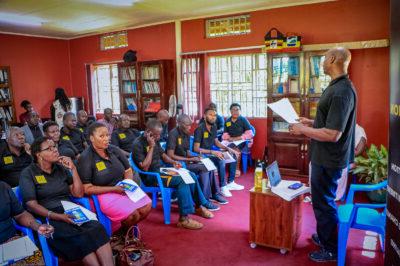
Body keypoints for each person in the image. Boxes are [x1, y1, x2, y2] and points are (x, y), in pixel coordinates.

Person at [289, 47, 356, 262]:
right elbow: (328, 123)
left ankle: (331, 249)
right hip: (324, 156)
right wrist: (310, 122)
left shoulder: (341, 91)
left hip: (329, 158)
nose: (322, 62)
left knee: (324, 202)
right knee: (321, 200)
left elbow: (333, 133)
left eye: (325, 58)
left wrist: (302, 130)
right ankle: (326, 236)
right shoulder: (336, 87)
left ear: (334, 59)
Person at [19, 137, 113, 265]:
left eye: (55, 147)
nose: (55, 150)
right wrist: (59, 217)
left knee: (97, 228)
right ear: (38, 154)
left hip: (70, 210)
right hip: (48, 216)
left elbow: (78, 193)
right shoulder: (28, 173)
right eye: (49, 148)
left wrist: (73, 169)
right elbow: (31, 204)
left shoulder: (60, 168)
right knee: (81, 237)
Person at [132, 120, 217, 230]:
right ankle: (183, 219)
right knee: (182, 181)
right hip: (151, 176)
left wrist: (172, 162)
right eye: (156, 135)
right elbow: (145, 167)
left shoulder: (155, 139)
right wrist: (151, 147)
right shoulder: (138, 144)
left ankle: (198, 206)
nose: (158, 137)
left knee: (190, 175)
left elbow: (163, 155)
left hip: (162, 171)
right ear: (148, 132)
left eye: (159, 134)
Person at [77, 122, 152, 234]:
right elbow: (87, 188)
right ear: (92, 138)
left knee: (146, 206)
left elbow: (128, 170)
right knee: (133, 214)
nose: (106, 138)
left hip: (122, 188)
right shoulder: (86, 158)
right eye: (101, 136)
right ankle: (123, 235)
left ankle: (124, 233)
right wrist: (114, 190)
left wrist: (128, 183)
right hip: (104, 193)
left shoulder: (114, 150)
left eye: (107, 135)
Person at [167, 114, 227, 205]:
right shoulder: (173, 134)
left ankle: (214, 194)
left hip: (186, 162)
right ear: (179, 123)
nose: (190, 127)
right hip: (177, 165)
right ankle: (204, 200)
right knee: (205, 168)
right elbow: (170, 155)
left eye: (190, 125)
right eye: (187, 125)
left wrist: (196, 157)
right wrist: (189, 159)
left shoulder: (186, 133)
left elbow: (187, 153)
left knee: (208, 165)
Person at [0, 181, 54, 265]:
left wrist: (37, 226)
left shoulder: (3, 187)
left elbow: (20, 214)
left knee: (35, 261)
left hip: (9, 241)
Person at [193, 108, 242, 198]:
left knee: (231, 155)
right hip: (201, 156)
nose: (213, 117)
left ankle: (228, 183)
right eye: (210, 115)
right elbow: (196, 149)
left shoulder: (214, 127)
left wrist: (228, 149)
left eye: (214, 115)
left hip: (210, 154)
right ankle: (222, 186)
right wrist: (213, 152)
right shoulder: (199, 129)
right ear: (204, 116)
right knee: (221, 160)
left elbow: (216, 142)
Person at [222, 103, 254, 176]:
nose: (235, 111)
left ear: (240, 111)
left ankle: (236, 168)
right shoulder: (228, 121)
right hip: (230, 140)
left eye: (237, 110)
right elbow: (225, 134)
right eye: (233, 110)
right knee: (222, 148)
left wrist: (237, 138)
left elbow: (250, 134)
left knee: (236, 149)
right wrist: (229, 138)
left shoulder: (243, 120)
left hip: (241, 140)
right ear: (230, 111)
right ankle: (222, 167)